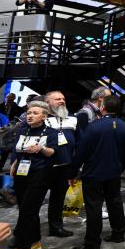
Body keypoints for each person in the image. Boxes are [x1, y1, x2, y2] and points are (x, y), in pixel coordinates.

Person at [71, 95, 125, 249]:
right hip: (114, 173)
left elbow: (82, 152)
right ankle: (119, 234)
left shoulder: (94, 127)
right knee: (115, 202)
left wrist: (73, 171)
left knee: (93, 208)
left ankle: (92, 243)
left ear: (103, 107)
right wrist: (120, 167)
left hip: (93, 174)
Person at [7, 100, 59, 249]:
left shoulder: (51, 132)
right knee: (25, 208)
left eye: (35, 113)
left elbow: (53, 152)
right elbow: (16, 149)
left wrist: (41, 149)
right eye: (29, 113)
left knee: (28, 210)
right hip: (22, 172)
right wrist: (14, 164)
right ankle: (35, 241)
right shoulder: (23, 129)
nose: (30, 116)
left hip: (41, 173)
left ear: (44, 116)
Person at [44, 90, 78, 238]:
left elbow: (80, 142)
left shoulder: (73, 119)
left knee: (58, 199)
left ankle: (56, 227)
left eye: (63, 99)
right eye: (57, 99)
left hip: (65, 166)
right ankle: (26, 229)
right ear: (47, 103)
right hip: (44, 166)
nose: (62, 101)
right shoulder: (41, 119)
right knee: (34, 199)